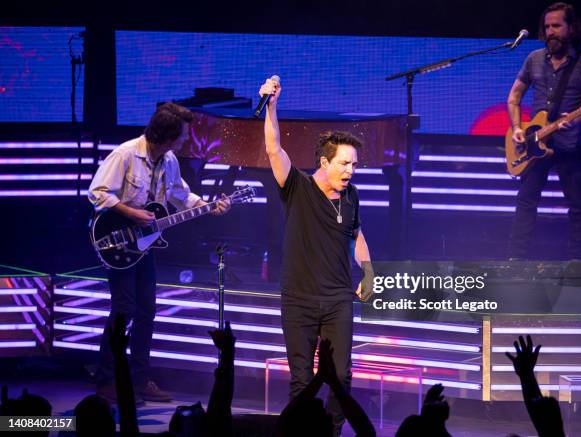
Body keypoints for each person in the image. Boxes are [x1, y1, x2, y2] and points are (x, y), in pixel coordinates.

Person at [88, 102, 230, 403]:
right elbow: (98, 193)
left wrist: (209, 207)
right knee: (123, 308)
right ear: (166, 135)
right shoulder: (126, 154)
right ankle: (106, 379)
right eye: (181, 137)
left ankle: (139, 380)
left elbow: (180, 195)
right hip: (119, 240)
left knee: (147, 312)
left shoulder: (168, 161)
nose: (184, 142)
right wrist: (132, 213)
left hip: (146, 244)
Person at [260, 77, 373, 435]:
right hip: (299, 300)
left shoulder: (352, 196)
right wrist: (272, 106)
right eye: (343, 164)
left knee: (341, 377)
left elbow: (356, 234)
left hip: (339, 300)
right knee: (300, 379)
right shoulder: (298, 187)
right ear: (324, 162)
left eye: (353, 165)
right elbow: (274, 147)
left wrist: (368, 270)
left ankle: (333, 434)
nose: (349, 171)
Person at [507, 2, 581, 260]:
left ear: (571, 28)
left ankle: (578, 263)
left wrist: (575, 120)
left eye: (557, 26)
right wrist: (517, 128)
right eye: (547, 26)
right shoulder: (534, 59)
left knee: (577, 206)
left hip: (570, 144)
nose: (550, 31)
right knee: (526, 202)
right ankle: (517, 260)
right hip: (535, 141)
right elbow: (514, 97)